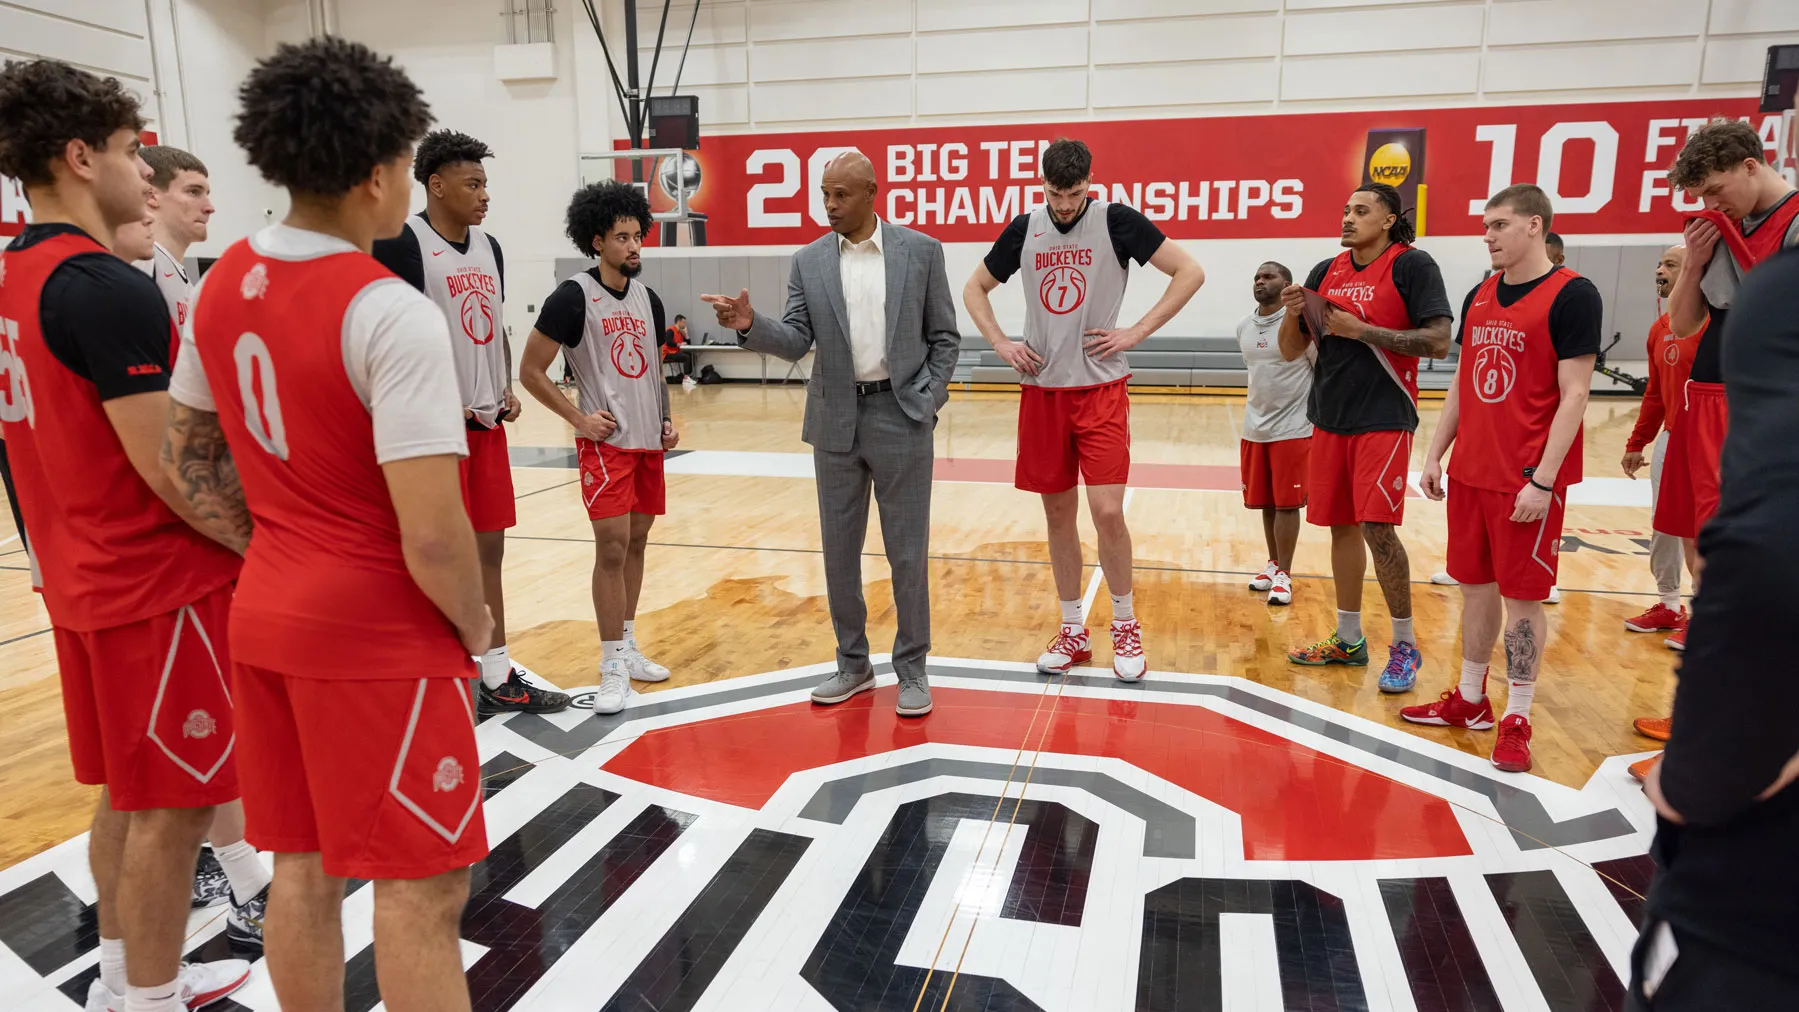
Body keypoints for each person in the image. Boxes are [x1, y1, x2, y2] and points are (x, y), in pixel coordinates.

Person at [166, 38, 490, 1012]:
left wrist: (268, 545)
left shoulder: (217, 285)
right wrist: (474, 626)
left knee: (301, 867)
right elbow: (433, 534)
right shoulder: (390, 311)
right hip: (378, 632)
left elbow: (186, 462)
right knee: (422, 886)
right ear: (380, 172)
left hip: (266, 613)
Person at [0, 59, 251, 1011]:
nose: (139, 172)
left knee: (131, 795)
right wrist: (261, 545)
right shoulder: (104, 287)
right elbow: (176, 474)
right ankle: (147, 1000)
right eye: (124, 152)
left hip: (78, 577)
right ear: (77, 157)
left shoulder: (17, 274)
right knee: (175, 807)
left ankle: (122, 981)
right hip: (154, 588)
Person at [702, 152, 959, 714]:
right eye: (824, 194)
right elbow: (795, 338)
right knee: (839, 552)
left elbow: (945, 338)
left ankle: (912, 669)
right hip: (835, 419)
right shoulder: (809, 260)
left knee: (907, 553)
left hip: (903, 415)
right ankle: (853, 664)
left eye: (841, 195)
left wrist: (927, 397)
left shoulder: (921, 252)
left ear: (871, 192)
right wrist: (749, 325)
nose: (830, 206)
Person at [963, 138, 1205, 682]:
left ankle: (1125, 624)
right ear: (1041, 184)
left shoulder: (1116, 222)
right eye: (1056, 192)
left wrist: (1137, 331)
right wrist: (1002, 342)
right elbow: (975, 288)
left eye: (1074, 193)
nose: (1066, 204)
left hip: (1100, 390)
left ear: (1090, 182)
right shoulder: (1025, 229)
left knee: (1108, 512)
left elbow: (1189, 271)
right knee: (1056, 514)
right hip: (1043, 391)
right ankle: (1074, 630)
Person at [1629, 244, 1799, 1012]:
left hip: (1757, 914)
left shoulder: (1776, 297)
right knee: (1689, 548)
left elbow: (1767, 551)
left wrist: (1698, 769)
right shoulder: (1683, 321)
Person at [370, 129, 570, 716]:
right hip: (431, 436)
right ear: (435, 185)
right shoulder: (403, 244)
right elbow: (390, 336)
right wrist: (427, 399)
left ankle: (497, 674)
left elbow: (494, 324)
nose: (485, 195)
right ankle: (432, 676)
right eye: (473, 183)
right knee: (430, 559)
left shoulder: (491, 247)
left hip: (484, 427)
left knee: (489, 555)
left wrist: (504, 385)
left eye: (486, 183)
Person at [1411, 184, 1600, 774]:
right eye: (1485, 226)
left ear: (1535, 227)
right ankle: (1470, 700)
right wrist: (1436, 453)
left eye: (1498, 225)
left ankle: (1516, 714)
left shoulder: (1573, 295)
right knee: (1474, 589)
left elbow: (1575, 394)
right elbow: (1465, 383)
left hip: (1526, 481)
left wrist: (1542, 481)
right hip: (1471, 474)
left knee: (1522, 602)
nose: (1487, 236)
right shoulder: (1479, 294)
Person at [1278, 182, 1453, 692]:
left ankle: (1404, 646)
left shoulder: (1412, 266)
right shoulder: (1324, 270)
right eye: (1346, 209)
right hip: (1330, 414)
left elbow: (1439, 342)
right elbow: (1292, 351)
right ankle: (1349, 639)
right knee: (1341, 528)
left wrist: (1364, 331)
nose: (1348, 218)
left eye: (1361, 210)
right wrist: (1294, 313)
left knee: (1379, 528)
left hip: (1385, 413)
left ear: (1389, 219)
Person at [518, 182, 678, 715]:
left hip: (647, 444)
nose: (634, 247)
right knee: (609, 548)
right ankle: (610, 665)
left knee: (636, 543)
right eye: (622, 237)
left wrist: (668, 421)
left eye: (637, 236)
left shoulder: (648, 299)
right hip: (606, 445)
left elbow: (654, 372)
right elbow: (530, 371)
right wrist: (578, 420)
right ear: (597, 240)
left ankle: (627, 646)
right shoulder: (572, 296)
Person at [1619, 245, 1699, 644]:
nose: (1659, 270)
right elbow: (1655, 392)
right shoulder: (1659, 328)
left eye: (1670, 264)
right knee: (1664, 527)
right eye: (1659, 263)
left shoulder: (1716, 326)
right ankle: (1669, 604)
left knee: (1701, 531)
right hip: (1671, 439)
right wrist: (1638, 442)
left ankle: (1705, 616)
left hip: (1709, 442)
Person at [1237, 261, 1312, 606]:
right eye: (1256, 277)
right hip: (1255, 428)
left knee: (1287, 505)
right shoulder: (1244, 328)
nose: (1260, 282)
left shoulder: (1302, 325)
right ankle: (1272, 564)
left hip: (1293, 428)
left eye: (1268, 277)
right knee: (1266, 502)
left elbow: (1320, 369)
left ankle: (1285, 574)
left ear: (1287, 284)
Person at [661, 313, 693, 378]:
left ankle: (689, 376)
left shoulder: (680, 332)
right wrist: (679, 344)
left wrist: (686, 334)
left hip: (675, 352)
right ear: (679, 322)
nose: (685, 325)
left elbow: (688, 344)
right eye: (684, 323)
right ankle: (686, 378)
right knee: (686, 357)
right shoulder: (670, 330)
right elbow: (668, 342)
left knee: (689, 354)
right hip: (667, 353)